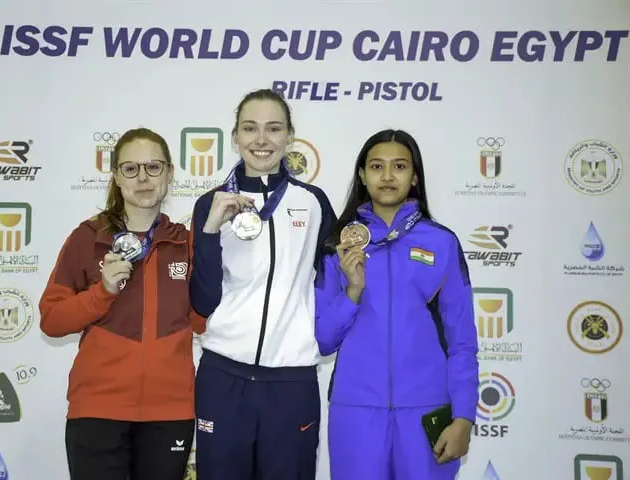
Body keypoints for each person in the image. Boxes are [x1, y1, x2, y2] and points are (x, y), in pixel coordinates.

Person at [39, 127, 205, 480]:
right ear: (115, 175)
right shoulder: (89, 238)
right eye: (130, 169)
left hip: (169, 411)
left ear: (170, 173)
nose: (143, 178)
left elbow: (205, 320)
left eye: (153, 167)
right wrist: (102, 292)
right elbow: (52, 320)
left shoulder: (187, 244)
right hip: (98, 409)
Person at [189, 88, 337, 479]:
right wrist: (208, 231)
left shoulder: (314, 202)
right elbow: (203, 301)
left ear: (290, 136)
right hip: (223, 376)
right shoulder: (210, 204)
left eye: (274, 128)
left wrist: (318, 337)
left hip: (291, 380)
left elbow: (335, 284)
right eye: (250, 128)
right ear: (234, 136)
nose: (261, 139)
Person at [315, 129, 479, 480]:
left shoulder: (443, 243)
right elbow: (323, 339)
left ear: (414, 176)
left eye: (399, 166)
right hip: (356, 412)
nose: (387, 176)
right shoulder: (338, 245)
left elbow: (463, 342)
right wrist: (353, 291)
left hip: (426, 413)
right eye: (376, 166)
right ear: (362, 175)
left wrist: (464, 416)